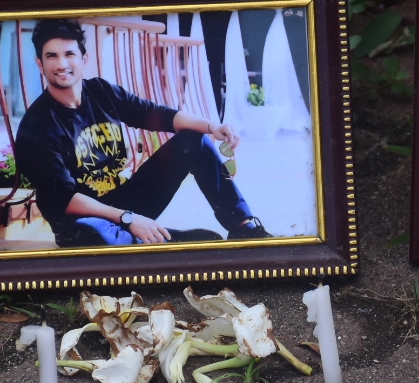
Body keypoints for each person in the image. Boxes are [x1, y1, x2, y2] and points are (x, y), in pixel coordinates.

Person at [13, 19, 270, 247]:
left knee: (193, 140)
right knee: (95, 234)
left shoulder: (101, 92)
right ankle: (166, 242)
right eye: (51, 56)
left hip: (126, 201)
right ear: (40, 63)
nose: (61, 64)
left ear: (83, 59)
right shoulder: (36, 126)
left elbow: (160, 115)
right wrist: (129, 218)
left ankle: (242, 227)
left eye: (69, 54)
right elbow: (64, 199)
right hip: (84, 219)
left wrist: (213, 127)